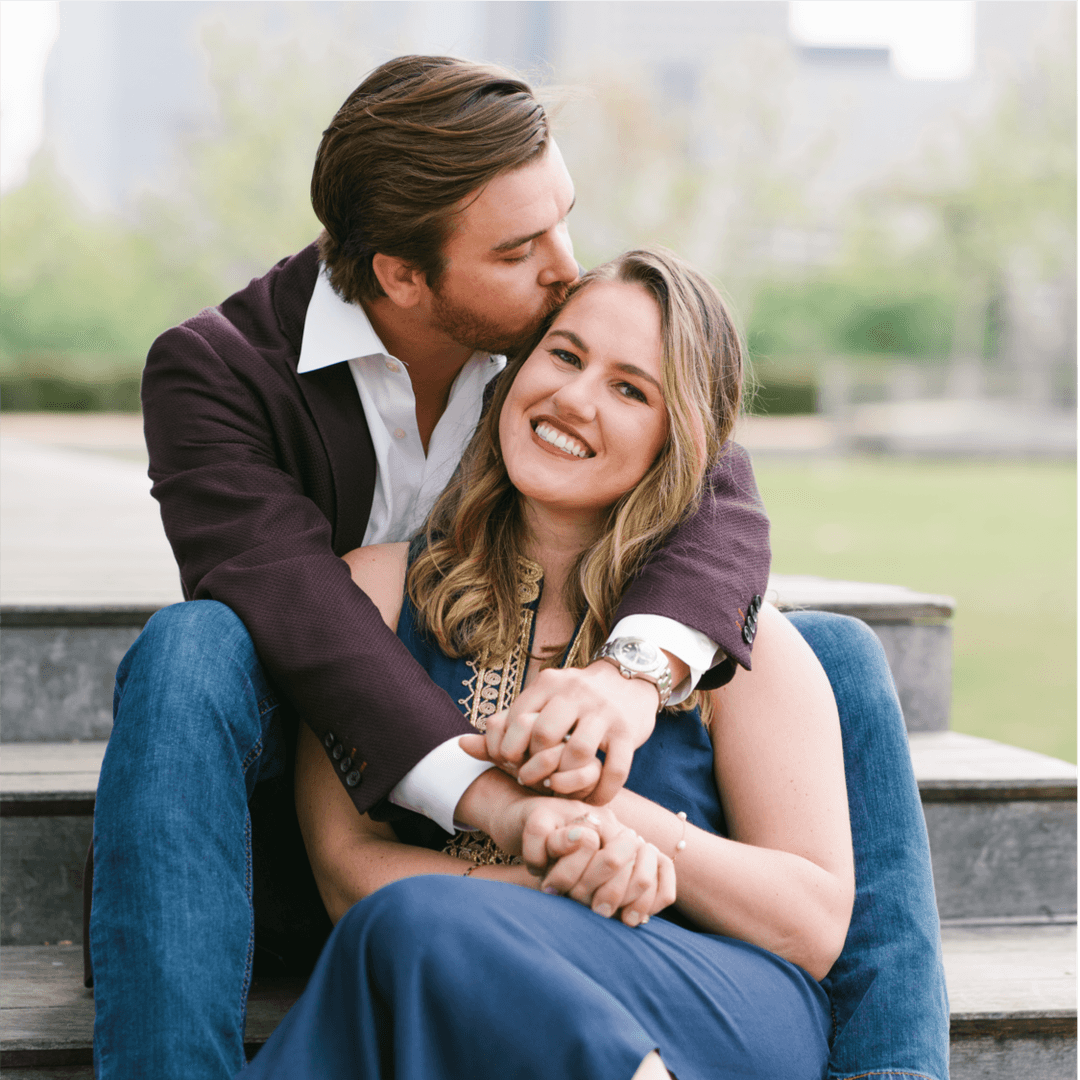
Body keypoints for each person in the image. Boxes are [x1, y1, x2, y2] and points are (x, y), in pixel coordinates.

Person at [89, 57, 948, 1080]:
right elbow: (311, 628)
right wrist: (525, 812)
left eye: (563, 220)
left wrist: (631, 684)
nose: (562, 266)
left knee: (830, 652)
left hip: (629, 867)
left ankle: (889, 1065)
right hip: (332, 753)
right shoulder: (219, 374)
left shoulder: (546, 309)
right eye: (522, 247)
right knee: (192, 646)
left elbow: (709, 478)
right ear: (406, 276)